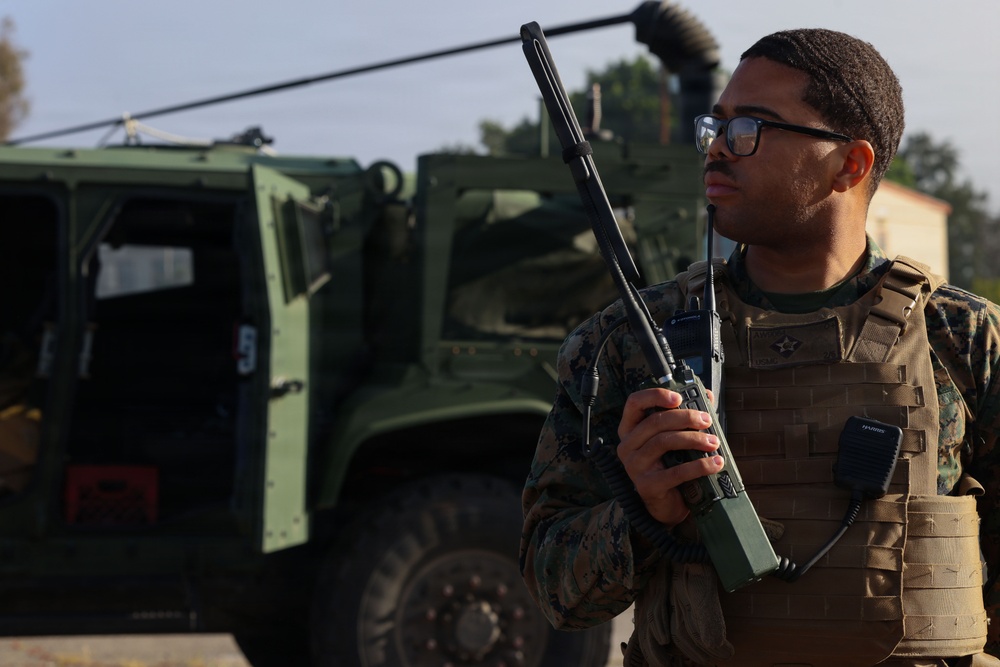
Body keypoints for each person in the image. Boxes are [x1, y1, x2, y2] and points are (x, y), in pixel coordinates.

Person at [520, 27, 1000, 667]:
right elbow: (554, 593)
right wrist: (641, 512)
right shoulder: (630, 344)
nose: (717, 148)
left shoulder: (963, 341)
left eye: (750, 127)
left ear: (849, 165)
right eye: (714, 126)